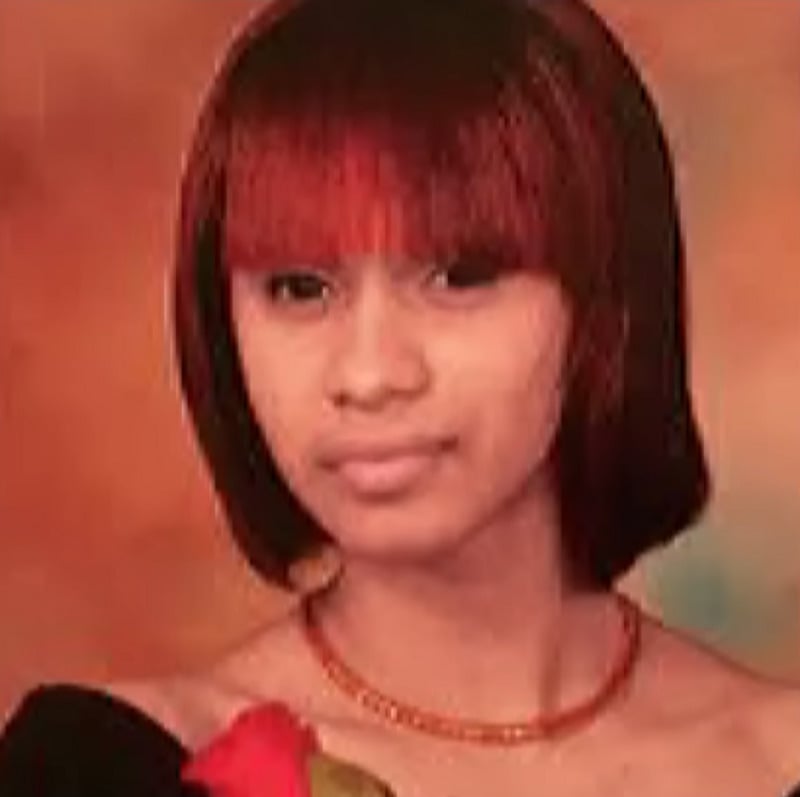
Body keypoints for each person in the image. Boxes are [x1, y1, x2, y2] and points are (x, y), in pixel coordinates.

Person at [1, 0, 798, 794]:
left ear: (606, 301)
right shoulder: (101, 768)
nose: (370, 374)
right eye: (300, 287)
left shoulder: (775, 753)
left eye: (459, 275)